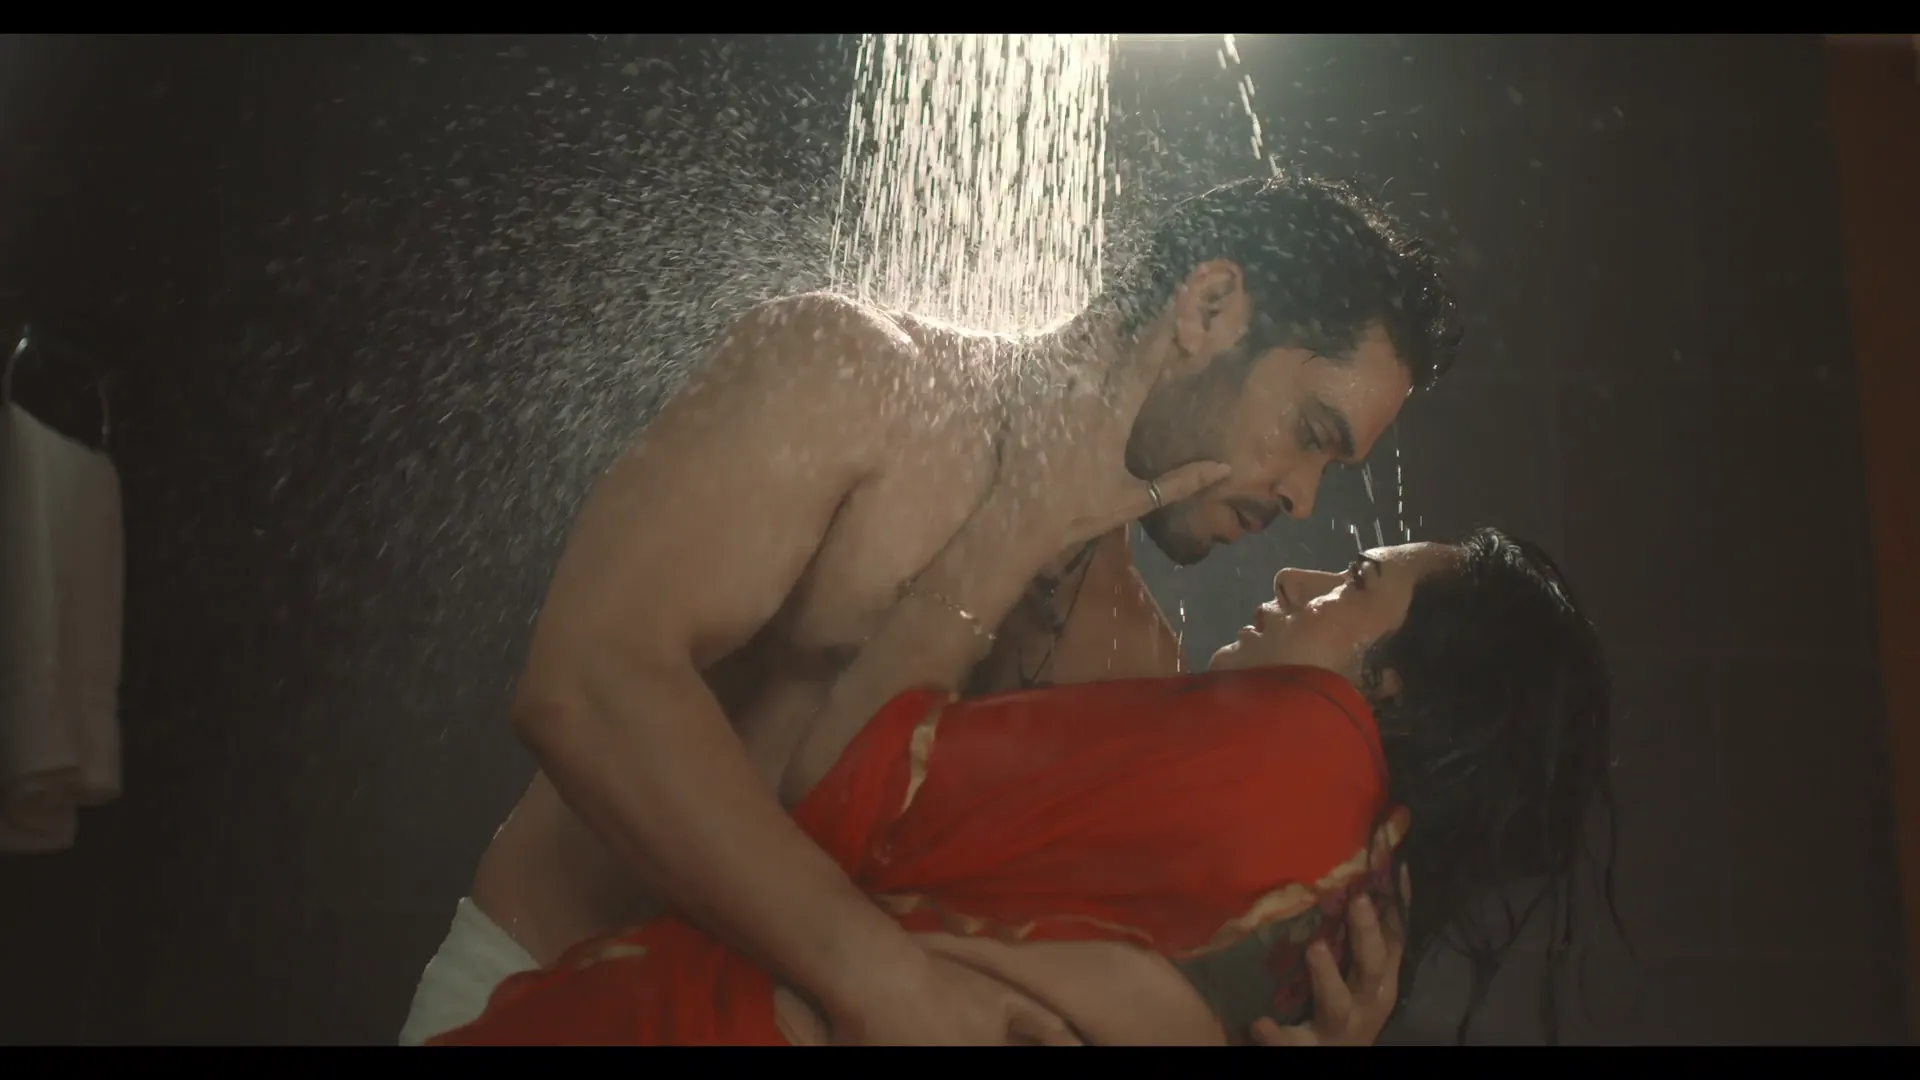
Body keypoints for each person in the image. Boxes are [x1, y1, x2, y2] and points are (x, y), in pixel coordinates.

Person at [400, 171, 1463, 1046]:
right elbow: (586, 683)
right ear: (1211, 308)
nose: (1302, 499)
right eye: (1311, 433)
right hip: (530, 1001)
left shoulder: (1137, 652)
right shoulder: (852, 376)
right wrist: (878, 978)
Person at [427, 529, 1613, 1045]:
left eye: (1355, 582)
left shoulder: (1305, 745)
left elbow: (852, 797)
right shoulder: (1336, 924)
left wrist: (1008, 531)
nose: (1297, 564)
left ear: (1395, 686)